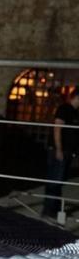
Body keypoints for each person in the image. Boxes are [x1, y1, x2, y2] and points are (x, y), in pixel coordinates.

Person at [43, 90, 79, 218]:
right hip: (59, 151)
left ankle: (55, 208)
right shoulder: (64, 108)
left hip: (66, 151)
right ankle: (49, 210)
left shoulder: (75, 112)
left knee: (59, 180)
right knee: (54, 180)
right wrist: (58, 149)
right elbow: (57, 128)